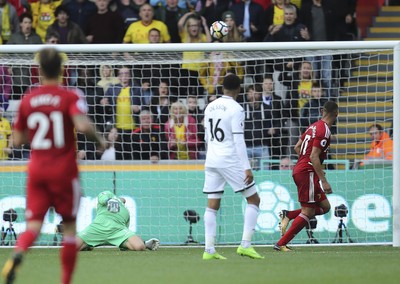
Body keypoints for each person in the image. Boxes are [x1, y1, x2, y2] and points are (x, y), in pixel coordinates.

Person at [1, 47, 106, 284]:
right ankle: (65, 281)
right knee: (69, 229)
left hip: (37, 170)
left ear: (39, 71)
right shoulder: (67, 97)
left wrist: (38, 135)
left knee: (33, 226)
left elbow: (16, 140)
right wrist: (100, 140)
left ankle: (18, 253)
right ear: (61, 69)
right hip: (63, 170)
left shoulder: (28, 99)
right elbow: (82, 125)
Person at [202, 74, 263, 260]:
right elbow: (238, 140)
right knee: (254, 200)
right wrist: (246, 167)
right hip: (228, 159)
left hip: (211, 159)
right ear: (239, 89)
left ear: (222, 88)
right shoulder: (236, 109)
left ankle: (209, 250)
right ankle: (245, 245)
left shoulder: (210, 106)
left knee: (212, 205)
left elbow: (206, 137)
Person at [274, 100, 338, 252]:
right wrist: (323, 180)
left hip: (302, 170)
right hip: (306, 173)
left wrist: (307, 164)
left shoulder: (313, 126)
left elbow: (297, 147)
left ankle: (288, 215)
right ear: (336, 114)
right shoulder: (325, 131)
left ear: (322, 111)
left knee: (325, 207)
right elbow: (314, 157)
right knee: (308, 212)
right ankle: (281, 243)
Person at [76, 190, 160, 251]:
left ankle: (144, 244)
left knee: (139, 247)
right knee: (72, 247)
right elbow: (101, 197)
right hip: (98, 227)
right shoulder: (109, 196)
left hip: (117, 231)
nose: (123, 199)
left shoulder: (126, 211)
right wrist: (108, 200)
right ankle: (88, 244)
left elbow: (125, 227)